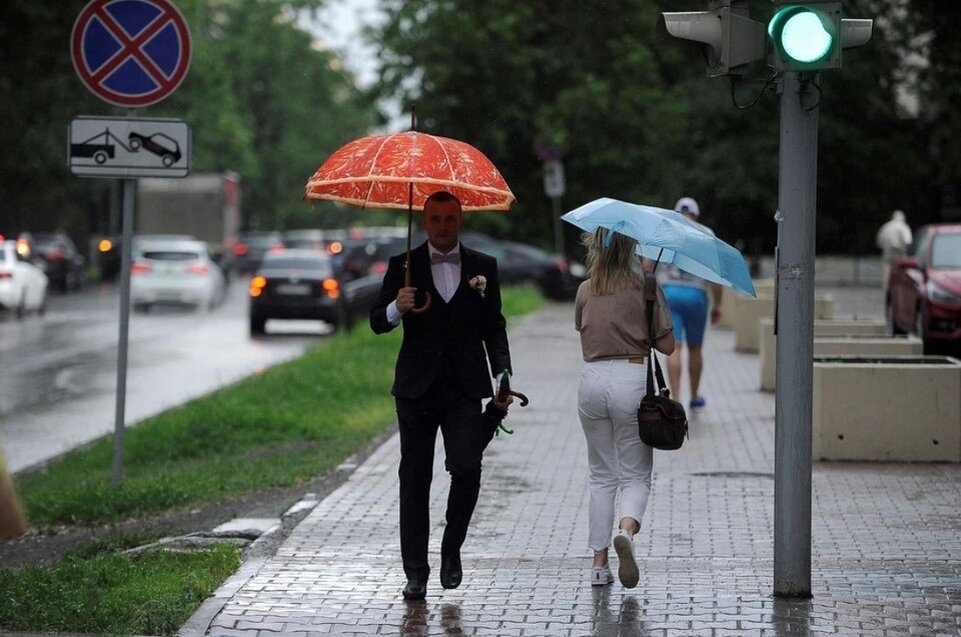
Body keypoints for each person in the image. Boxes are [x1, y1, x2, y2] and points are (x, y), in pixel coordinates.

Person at [370, 190, 513, 600]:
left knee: (466, 467)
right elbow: (377, 322)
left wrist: (503, 373)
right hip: (416, 389)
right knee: (415, 479)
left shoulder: (483, 267)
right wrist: (397, 307)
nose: (443, 226)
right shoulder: (403, 265)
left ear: (461, 220)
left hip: (465, 386)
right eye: (436, 219)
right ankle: (416, 571)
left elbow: (494, 326)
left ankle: (452, 548)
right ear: (425, 222)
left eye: (450, 218)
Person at [574, 227, 675, 588]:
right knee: (634, 475)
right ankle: (627, 531)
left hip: (591, 380)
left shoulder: (586, 289)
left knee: (601, 475)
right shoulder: (647, 286)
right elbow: (667, 346)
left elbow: (584, 329)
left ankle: (598, 565)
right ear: (632, 247)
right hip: (631, 379)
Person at [659, 197, 723, 409]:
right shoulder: (706, 234)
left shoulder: (665, 232)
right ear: (696, 215)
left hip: (669, 293)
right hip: (696, 295)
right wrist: (718, 305)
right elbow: (715, 276)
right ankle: (695, 397)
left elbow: (648, 265)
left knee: (674, 347)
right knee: (695, 348)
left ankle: (676, 399)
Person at [876, 210, 912, 293]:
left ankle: (887, 289)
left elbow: (879, 241)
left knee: (887, 270)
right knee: (901, 271)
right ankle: (899, 289)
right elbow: (908, 241)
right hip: (899, 252)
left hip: (887, 252)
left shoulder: (886, 226)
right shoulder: (903, 226)